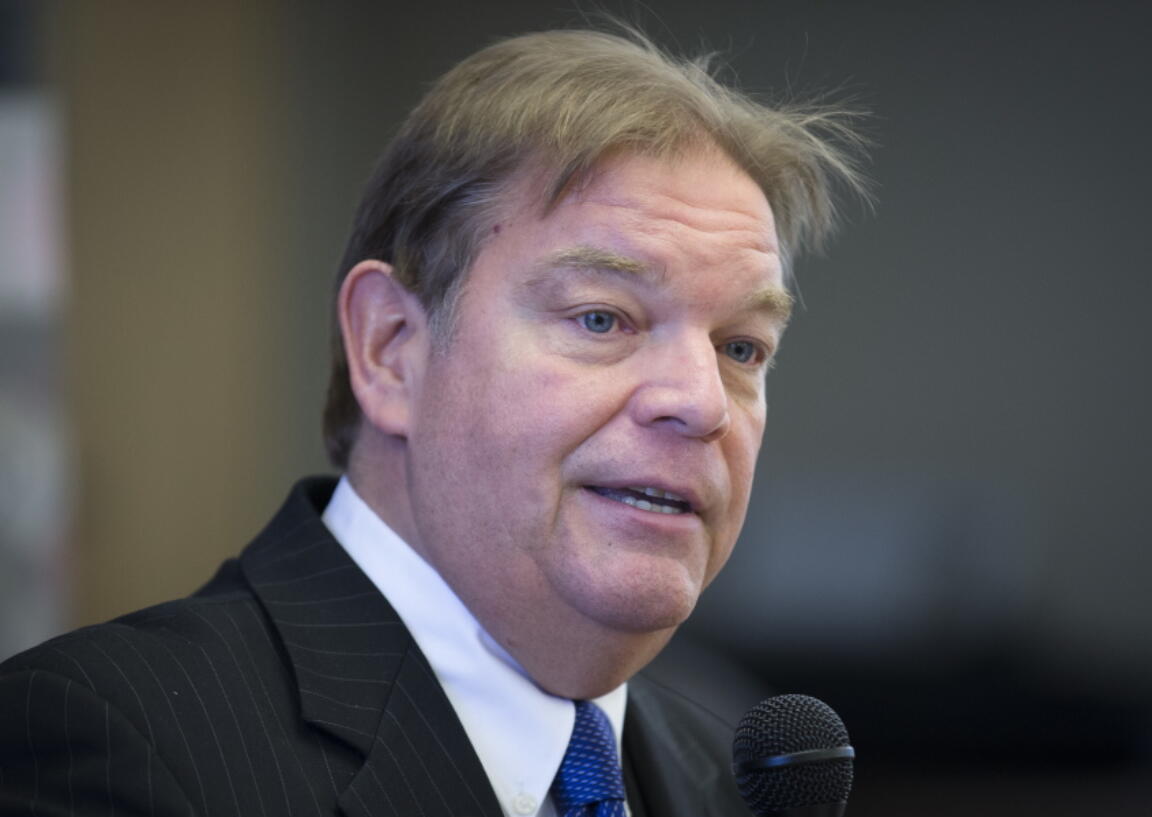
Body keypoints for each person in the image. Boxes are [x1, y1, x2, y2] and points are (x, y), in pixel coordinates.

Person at [0, 26, 866, 817]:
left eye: (742, 348)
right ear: (391, 349)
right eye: (604, 318)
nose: (702, 402)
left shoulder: (738, 776)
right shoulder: (116, 738)